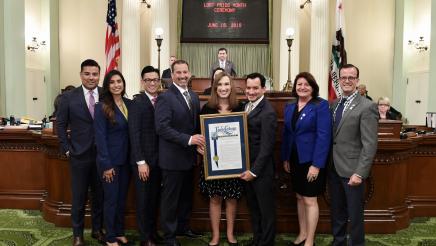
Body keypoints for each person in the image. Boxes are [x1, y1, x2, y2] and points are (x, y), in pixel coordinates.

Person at [155, 59, 205, 246]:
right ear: (172, 74)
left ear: (189, 73)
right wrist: (189, 140)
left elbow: (195, 126)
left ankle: (183, 228)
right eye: (179, 73)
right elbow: (162, 128)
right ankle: (169, 236)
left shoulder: (193, 96)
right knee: (171, 200)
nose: (183, 76)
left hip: (189, 158)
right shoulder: (165, 97)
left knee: (186, 198)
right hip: (172, 159)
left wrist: (198, 142)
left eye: (185, 72)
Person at [56, 59, 104, 246]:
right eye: (87, 74)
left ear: (99, 75)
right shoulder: (69, 97)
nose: (91, 77)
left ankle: (98, 230)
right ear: (81, 75)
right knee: (79, 197)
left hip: (102, 156)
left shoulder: (106, 94)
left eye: (95, 74)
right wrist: (67, 149)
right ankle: (78, 235)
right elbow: (60, 125)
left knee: (100, 195)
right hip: (79, 155)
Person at [329, 64, 378, 246]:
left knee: (355, 215)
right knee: (337, 212)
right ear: (339, 80)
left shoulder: (367, 106)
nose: (347, 81)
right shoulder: (334, 104)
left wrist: (360, 173)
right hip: (334, 168)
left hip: (353, 172)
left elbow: (370, 144)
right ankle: (338, 242)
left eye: (351, 77)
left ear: (357, 80)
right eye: (343, 77)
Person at [281, 72, 332, 246]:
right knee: (299, 197)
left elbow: (324, 136)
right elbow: (287, 134)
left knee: (310, 199)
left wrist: (316, 165)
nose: (302, 87)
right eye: (299, 84)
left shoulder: (320, 105)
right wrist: (286, 158)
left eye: (306, 84)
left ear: (313, 87)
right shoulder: (290, 105)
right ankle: (302, 234)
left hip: (311, 161)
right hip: (295, 159)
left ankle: (310, 240)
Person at [197, 72, 244, 246]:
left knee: (231, 199)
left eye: (226, 84)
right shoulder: (207, 109)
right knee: (215, 198)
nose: (223, 88)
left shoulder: (240, 108)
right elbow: (199, 135)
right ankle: (215, 235)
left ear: (231, 87)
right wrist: (200, 147)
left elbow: (243, 138)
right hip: (213, 164)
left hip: (233, 163)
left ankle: (230, 234)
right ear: (215, 88)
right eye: (220, 85)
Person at [94, 70, 131, 246]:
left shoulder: (127, 104)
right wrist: (106, 165)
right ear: (107, 86)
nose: (117, 85)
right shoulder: (101, 106)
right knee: (111, 200)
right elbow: (100, 138)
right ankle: (110, 237)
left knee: (121, 199)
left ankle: (119, 231)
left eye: (119, 81)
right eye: (112, 82)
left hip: (126, 161)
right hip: (109, 162)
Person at [240, 72, 277, 246]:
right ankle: (257, 240)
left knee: (266, 211)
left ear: (264, 88)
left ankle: (266, 242)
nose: (251, 91)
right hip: (247, 168)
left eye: (255, 88)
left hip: (260, 171)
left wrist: (254, 172)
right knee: (254, 208)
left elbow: (267, 147)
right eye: (248, 88)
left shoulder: (268, 111)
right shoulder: (246, 106)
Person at [129, 66, 162, 246]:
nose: (152, 83)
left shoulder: (161, 100)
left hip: (158, 161)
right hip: (143, 162)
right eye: (148, 80)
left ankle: (152, 232)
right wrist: (141, 162)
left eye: (155, 80)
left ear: (159, 81)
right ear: (143, 82)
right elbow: (134, 134)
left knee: (154, 200)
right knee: (143, 201)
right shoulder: (137, 102)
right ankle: (144, 238)